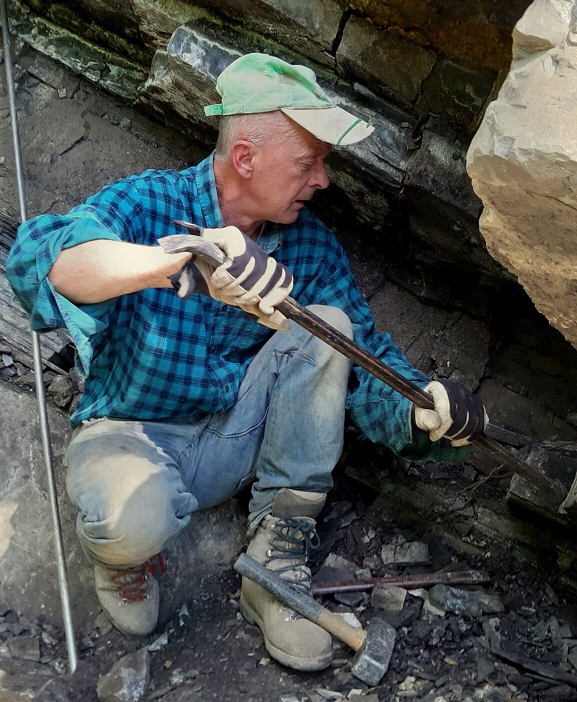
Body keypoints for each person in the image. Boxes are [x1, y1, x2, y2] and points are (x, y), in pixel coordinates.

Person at [6, 53, 487, 672]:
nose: (323, 180)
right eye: (308, 163)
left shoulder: (311, 246)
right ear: (245, 158)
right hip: (130, 433)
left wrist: (423, 409)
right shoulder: (149, 201)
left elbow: (365, 360)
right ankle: (124, 559)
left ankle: (272, 563)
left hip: (237, 441)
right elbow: (43, 263)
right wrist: (182, 259)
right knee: (130, 524)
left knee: (329, 325)